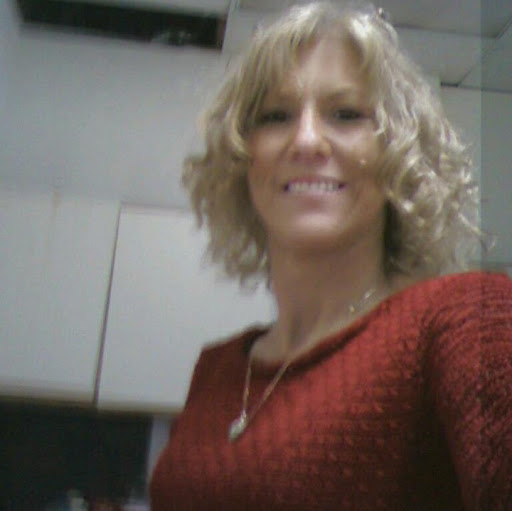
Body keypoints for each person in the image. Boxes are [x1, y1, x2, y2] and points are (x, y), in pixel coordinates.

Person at [150, 2, 512, 510]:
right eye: (275, 116)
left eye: (346, 114)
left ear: (398, 153)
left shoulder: (465, 321)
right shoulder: (217, 369)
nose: (305, 140)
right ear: (242, 157)